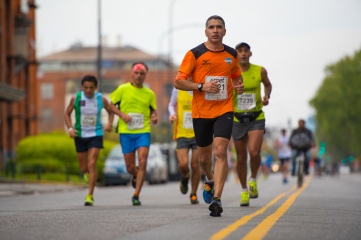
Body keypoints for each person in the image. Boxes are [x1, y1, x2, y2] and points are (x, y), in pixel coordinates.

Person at [174, 15, 244, 217]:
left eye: (219, 27)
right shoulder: (194, 54)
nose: (215, 30)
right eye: (211, 27)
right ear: (206, 31)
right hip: (201, 112)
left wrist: (239, 86)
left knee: (220, 151)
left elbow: (236, 77)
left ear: (224, 31)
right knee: (204, 160)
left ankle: (217, 199)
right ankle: (210, 179)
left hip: (224, 109)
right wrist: (201, 86)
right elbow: (179, 82)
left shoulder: (231, 54)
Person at [109, 62, 157, 206]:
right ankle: (136, 175)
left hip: (143, 131)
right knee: (130, 167)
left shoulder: (150, 93)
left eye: (142, 73)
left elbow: (153, 110)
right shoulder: (122, 89)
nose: (138, 76)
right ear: (131, 74)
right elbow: (110, 105)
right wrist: (122, 114)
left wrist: (154, 117)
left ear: (145, 75)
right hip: (126, 132)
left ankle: (136, 194)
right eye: (136, 73)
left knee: (142, 161)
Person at [232, 42, 272, 207]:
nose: (242, 54)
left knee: (254, 152)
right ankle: (244, 191)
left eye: (245, 51)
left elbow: (268, 84)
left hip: (256, 117)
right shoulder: (229, 72)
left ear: (250, 54)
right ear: (236, 55)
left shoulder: (259, 70)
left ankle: (253, 179)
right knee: (241, 158)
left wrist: (266, 96)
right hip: (237, 119)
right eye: (239, 51)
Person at [64, 75, 114, 206]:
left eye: (91, 88)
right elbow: (66, 113)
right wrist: (70, 128)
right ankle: (87, 174)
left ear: (95, 87)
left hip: (96, 134)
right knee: (83, 167)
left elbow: (111, 111)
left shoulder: (101, 99)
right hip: (80, 135)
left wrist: (109, 124)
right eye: (85, 88)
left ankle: (89, 195)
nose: (88, 90)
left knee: (92, 163)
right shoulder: (76, 98)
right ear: (82, 87)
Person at [168, 87, 201, 204]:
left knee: (195, 165)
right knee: (183, 164)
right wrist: (172, 114)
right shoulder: (177, 89)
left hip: (198, 133)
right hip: (182, 133)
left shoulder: (201, 88)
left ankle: (193, 194)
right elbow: (171, 105)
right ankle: (185, 176)